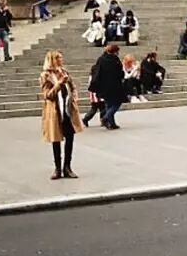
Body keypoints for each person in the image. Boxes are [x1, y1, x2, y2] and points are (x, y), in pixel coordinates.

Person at [40, 50, 82, 179]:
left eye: (61, 57)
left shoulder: (64, 72)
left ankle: (67, 167)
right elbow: (48, 95)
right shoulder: (46, 75)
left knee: (70, 138)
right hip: (55, 111)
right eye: (58, 58)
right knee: (56, 139)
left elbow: (72, 87)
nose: (61, 60)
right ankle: (57, 168)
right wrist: (59, 84)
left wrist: (74, 97)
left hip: (67, 110)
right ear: (52, 60)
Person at [88, 44, 125, 130]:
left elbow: (97, 71)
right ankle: (105, 117)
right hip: (114, 85)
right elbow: (119, 72)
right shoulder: (115, 59)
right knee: (117, 103)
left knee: (108, 104)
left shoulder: (101, 59)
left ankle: (112, 123)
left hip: (103, 86)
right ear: (115, 52)